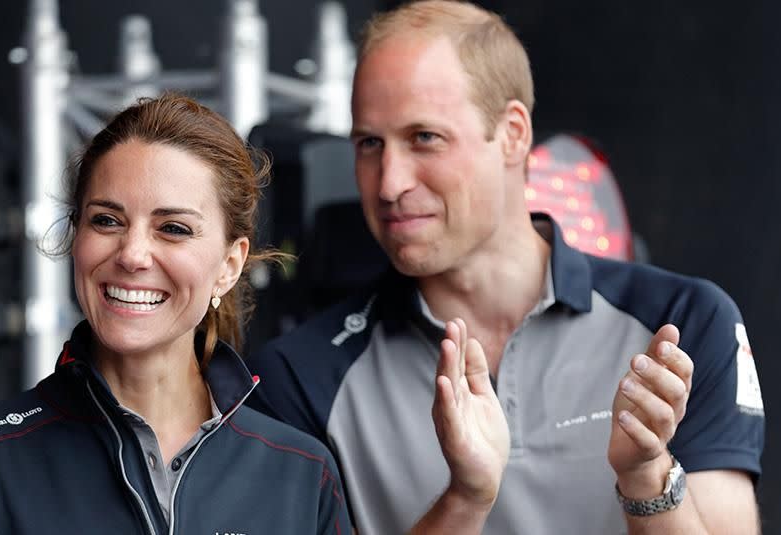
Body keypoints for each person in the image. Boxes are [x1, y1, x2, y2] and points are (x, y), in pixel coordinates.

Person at [245, 1, 765, 534]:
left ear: (514, 134)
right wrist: (465, 498)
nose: (390, 183)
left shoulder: (683, 323)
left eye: (425, 137)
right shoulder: (299, 376)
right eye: (370, 144)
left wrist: (646, 474)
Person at [0, 94, 350, 535]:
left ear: (229, 266)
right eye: (106, 220)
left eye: (173, 229)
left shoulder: (303, 474)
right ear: (76, 237)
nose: (132, 255)